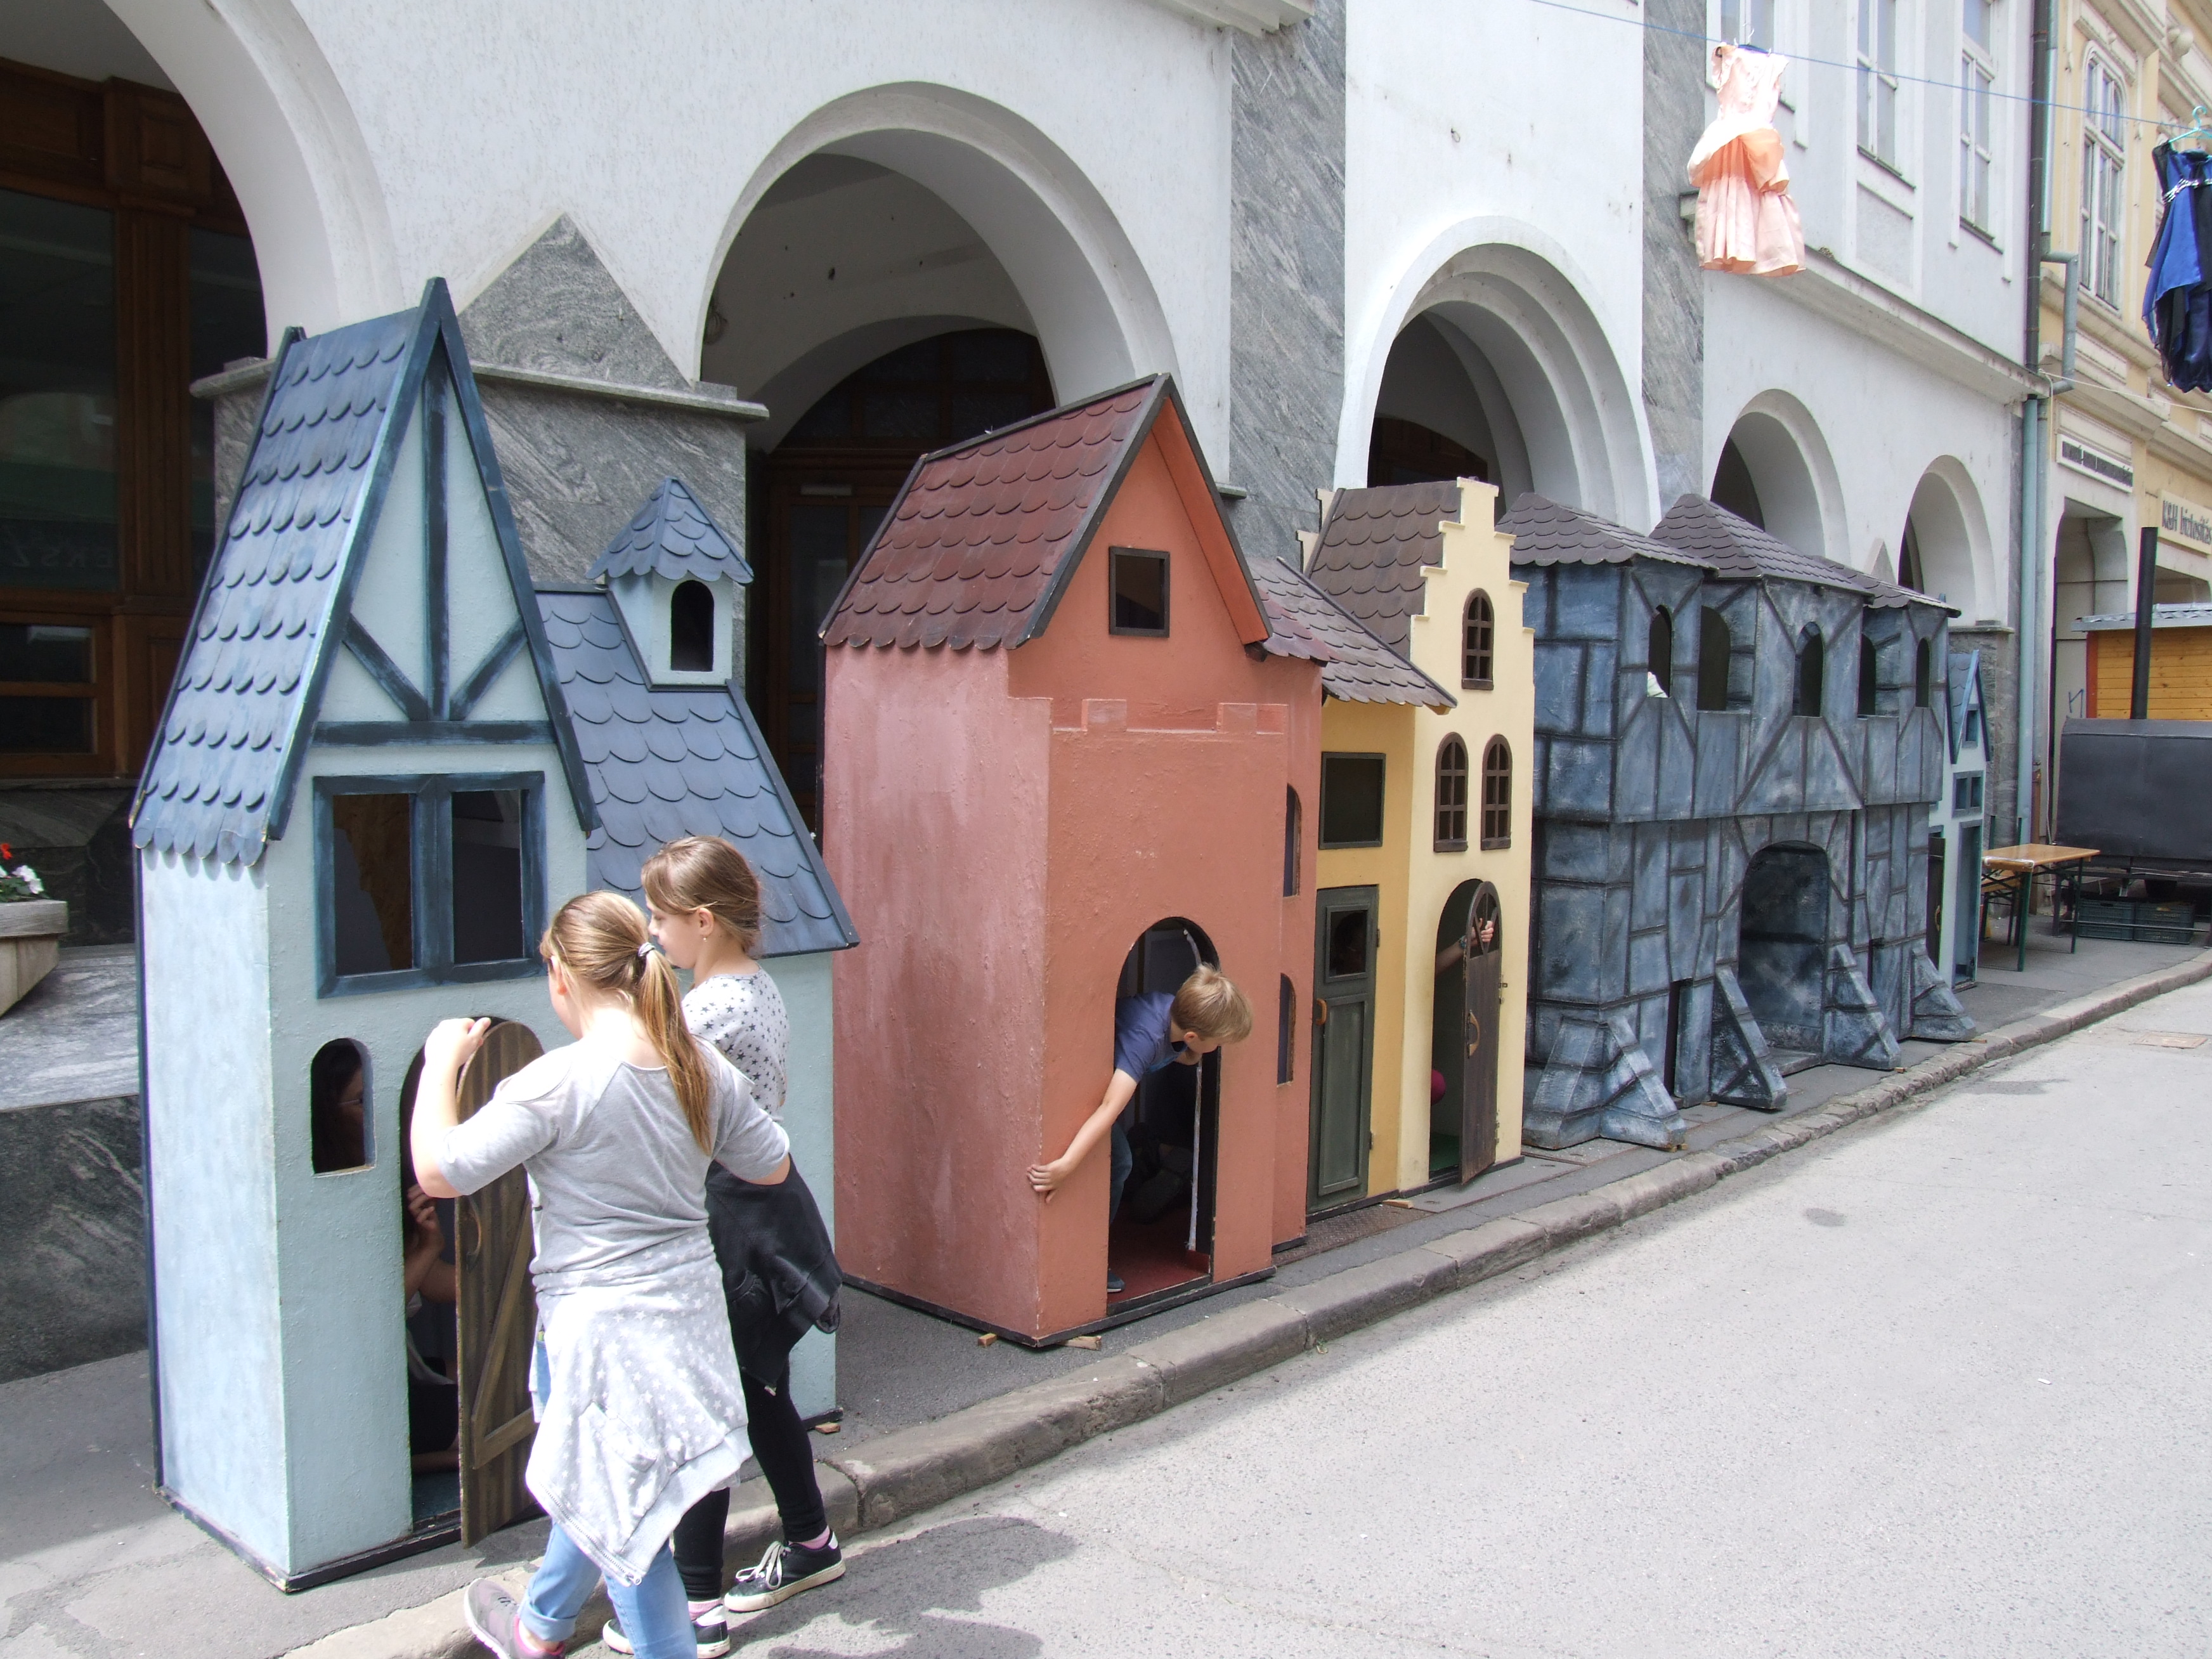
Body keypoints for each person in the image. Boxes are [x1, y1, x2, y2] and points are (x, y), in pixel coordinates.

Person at [416, 891, 792, 1659]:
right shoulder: (700, 1069)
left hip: (596, 1339)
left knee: (627, 1521)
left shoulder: (556, 1082)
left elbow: (440, 1171)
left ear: (561, 975)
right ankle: (541, 1625)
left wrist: (438, 1065)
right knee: (608, 1489)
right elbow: (772, 1164)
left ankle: (574, 1636)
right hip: (687, 1326)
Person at [590, 836, 843, 1658]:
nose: (651, 932)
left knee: (705, 1406)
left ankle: (695, 1605)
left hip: (729, 1223)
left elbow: (635, 1085)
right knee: (759, 1392)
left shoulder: (708, 1011)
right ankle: (809, 1542)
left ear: (702, 920)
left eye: (659, 917)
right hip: (757, 1212)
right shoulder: (751, 987)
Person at [1027, 963, 1253, 1294]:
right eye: (1217, 1043)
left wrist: (1189, 1055)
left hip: (1097, 1082)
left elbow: (1178, 1052)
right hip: (1072, 1086)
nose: (1218, 1050)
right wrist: (1065, 1167)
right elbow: (1109, 1107)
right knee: (1120, 1161)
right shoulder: (1145, 1041)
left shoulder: (1174, 1012)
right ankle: (1090, 1257)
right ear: (1193, 1036)